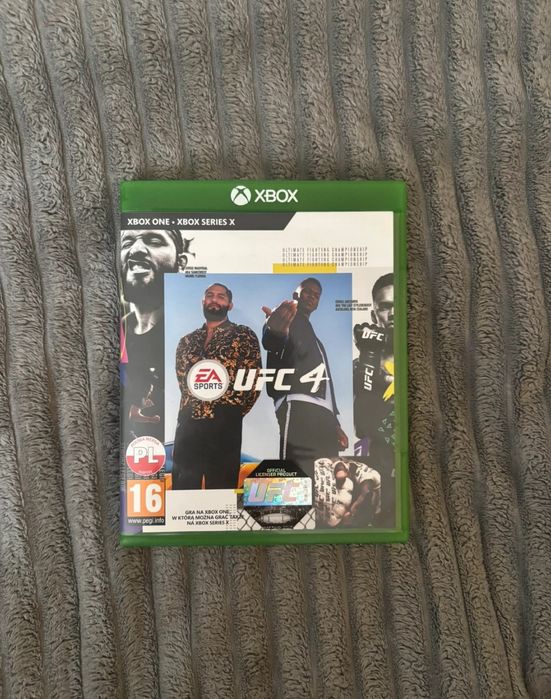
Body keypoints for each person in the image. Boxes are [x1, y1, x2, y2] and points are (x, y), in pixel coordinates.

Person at [172, 283, 261, 489]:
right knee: (183, 487)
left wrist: (232, 412)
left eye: (221, 296)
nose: (214, 299)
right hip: (188, 423)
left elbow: (254, 380)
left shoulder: (243, 335)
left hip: (224, 422)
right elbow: (183, 382)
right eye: (210, 295)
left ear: (230, 305)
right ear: (203, 302)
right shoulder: (186, 341)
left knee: (222, 488)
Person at [261, 278, 348, 477]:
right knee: (296, 476)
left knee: (326, 478)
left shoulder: (316, 341)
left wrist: (335, 423)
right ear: (296, 295)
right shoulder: (285, 317)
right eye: (307, 291)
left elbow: (326, 384)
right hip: (297, 405)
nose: (312, 297)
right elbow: (272, 339)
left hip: (325, 417)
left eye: (316, 295)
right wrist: (273, 329)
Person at [120, 228, 191, 441]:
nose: (137, 249)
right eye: (127, 243)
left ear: (181, 263)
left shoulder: (189, 330)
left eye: (154, 240)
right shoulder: (114, 332)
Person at [353, 272, 395, 525]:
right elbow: (363, 427)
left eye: (400, 304)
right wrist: (369, 357)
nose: (394, 313)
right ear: (374, 315)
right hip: (383, 479)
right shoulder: (360, 365)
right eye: (385, 307)